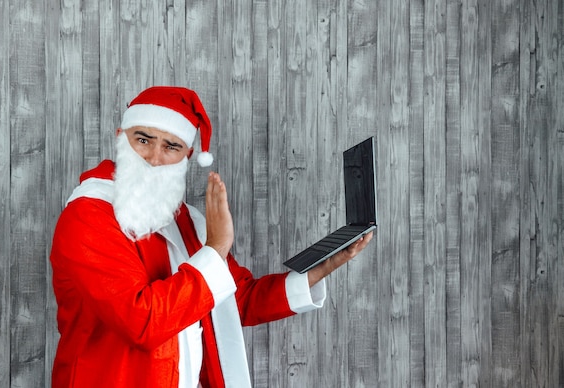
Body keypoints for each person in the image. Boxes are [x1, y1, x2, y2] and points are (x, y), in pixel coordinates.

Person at [49, 86, 373, 388]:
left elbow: (234, 300)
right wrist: (216, 248)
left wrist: (322, 266)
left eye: (171, 146)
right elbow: (143, 320)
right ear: (122, 139)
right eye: (143, 140)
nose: (154, 157)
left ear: (187, 156)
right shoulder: (89, 215)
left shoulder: (187, 220)